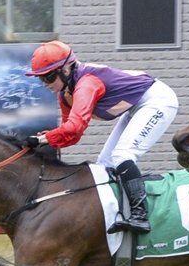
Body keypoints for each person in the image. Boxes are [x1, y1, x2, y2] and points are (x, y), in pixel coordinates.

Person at [24, 40, 178, 233]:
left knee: (122, 155)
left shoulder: (86, 83)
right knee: (105, 163)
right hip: (136, 106)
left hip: (158, 100)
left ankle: (140, 216)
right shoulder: (66, 94)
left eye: (48, 77)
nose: (45, 83)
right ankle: (116, 212)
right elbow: (73, 135)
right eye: (41, 79)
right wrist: (44, 140)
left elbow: (73, 127)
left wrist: (41, 140)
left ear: (65, 69)